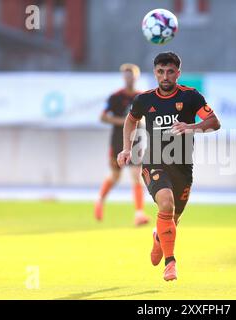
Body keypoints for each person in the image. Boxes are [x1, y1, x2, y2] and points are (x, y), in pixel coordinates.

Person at [117, 52, 221, 281]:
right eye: (161, 71)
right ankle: (170, 262)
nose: (165, 76)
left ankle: (158, 240)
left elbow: (215, 123)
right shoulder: (144, 100)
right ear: (155, 73)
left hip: (183, 165)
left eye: (170, 71)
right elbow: (131, 120)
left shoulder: (191, 97)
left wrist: (190, 127)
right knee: (165, 203)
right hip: (154, 161)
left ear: (178, 73)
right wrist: (126, 149)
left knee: (173, 218)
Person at [94, 64, 150, 227]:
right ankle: (99, 200)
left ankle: (139, 214)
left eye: (131, 75)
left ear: (136, 77)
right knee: (115, 176)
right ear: (123, 77)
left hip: (137, 141)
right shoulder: (115, 97)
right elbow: (103, 117)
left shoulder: (142, 97)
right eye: (126, 75)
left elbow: (149, 117)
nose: (129, 78)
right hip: (118, 140)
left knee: (136, 175)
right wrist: (125, 121)